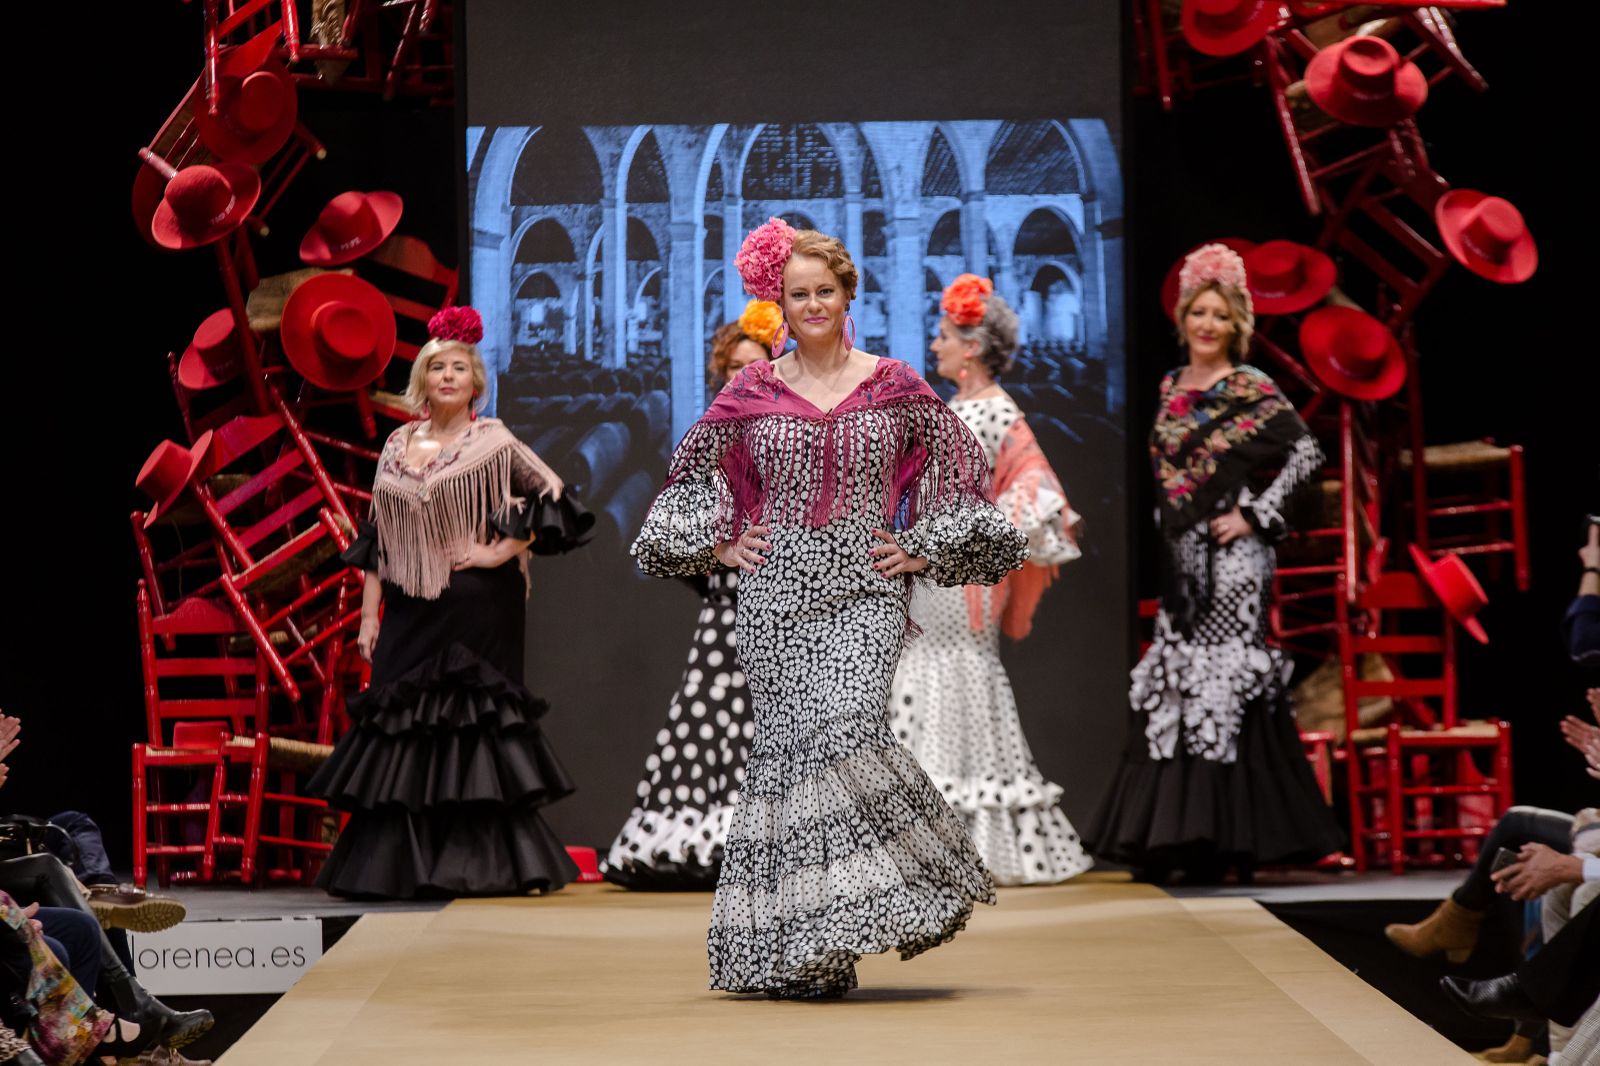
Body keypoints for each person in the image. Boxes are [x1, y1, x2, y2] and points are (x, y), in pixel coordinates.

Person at [631, 219, 1027, 998]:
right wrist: (718, 545)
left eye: (825, 290)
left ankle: (874, 902)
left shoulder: (896, 384)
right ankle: (810, 945)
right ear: (780, 303)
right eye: (797, 293)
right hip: (776, 599)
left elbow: (962, 479)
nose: (812, 303)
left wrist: (923, 547)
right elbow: (693, 479)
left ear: (849, 295)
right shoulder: (751, 390)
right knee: (790, 762)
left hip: (865, 594)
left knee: (844, 731)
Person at [310, 306, 588, 898]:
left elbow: (556, 496)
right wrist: (367, 614)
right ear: (423, 380)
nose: (448, 377)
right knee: (401, 724)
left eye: (459, 368)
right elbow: (378, 538)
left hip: (479, 608)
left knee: (473, 725)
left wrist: (501, 551)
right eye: (437, 367)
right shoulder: (395, 445)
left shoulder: (494, 438)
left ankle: (480, 864)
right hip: (411, 604)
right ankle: (401, 869)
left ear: (475, 383)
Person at [1086, 243, 1342, 883]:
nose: (1206, 325)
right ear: (1183, 317)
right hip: (1180, 559)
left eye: (1219, 316)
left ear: (1237, 326)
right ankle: (1177, 836)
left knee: (1223, 682)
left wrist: (1254, 514)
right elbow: (1170, 474)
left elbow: (1307, 453)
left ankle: (1227, 837)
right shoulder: (1170, 386)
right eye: (1198, 312)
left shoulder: (1249, 387)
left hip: (1233, 561)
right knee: (1177, 678)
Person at [886, 274, 1091, 886]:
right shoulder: (970, 409)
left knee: (950, 668)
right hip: (944, 570)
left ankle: (944, 840)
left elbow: (1024, 493)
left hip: (955, 578)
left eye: (944, 335)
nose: (935, 343)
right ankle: (945, 838)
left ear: (971, 346)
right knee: (941, 671)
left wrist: (954, 547)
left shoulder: (986, 412)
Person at [604, 301, 779, 890]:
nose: (741, 377)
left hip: (791, 609)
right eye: (732, 368)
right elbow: (671, 528)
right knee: (710, 718)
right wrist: (716, 562)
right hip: (729, 604)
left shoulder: (798, 435)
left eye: (751, 366)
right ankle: (710, 845)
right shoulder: (712, 440)